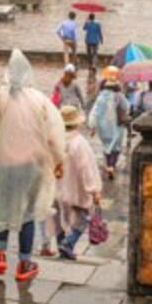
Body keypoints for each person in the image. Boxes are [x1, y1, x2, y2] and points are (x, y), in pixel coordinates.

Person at [0, 50, 66, 283]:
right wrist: (59, 161)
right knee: (27, 214)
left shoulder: (0, 97)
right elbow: (56, 134)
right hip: (32, 165)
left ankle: (0, 255)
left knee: (3, 206)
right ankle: (24, 263)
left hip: (3, 163)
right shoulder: (40, 100)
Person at [54, 106, 102, 260]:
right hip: (76, 190)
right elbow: (87, 168)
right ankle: (67, 244)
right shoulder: (80, 143)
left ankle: (62, 245)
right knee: (82, 220)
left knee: (61, 219)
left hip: (58, 188)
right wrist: (94, 189)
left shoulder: (54, 140)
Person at [89, 77, 129, 179]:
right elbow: (126, 107)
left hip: (103, 128)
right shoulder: (119, 96)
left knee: (106, 146)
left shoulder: (100, 97)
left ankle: (108, 165)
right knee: (116, 147)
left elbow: (94, 112)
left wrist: (92, 126)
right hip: (117, 126)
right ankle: (112, 165)